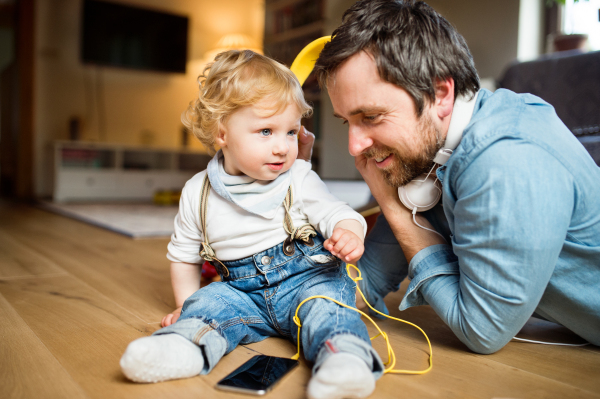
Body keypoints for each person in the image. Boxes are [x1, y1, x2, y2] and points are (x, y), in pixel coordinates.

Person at [310, 0, 600, 354]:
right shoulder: (427, 153)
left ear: (440, 94)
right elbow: (366, 281)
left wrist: (392, 206)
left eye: (370, 116)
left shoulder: (505, 156)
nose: (355, 147)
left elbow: (482, 330)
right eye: (347, 122)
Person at [120, 50, 383, 399]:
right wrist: (186, 305)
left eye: (291, 132)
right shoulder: (198, 192)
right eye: (265, 131)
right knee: (209, 304)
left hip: (307, 285)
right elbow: (184, 255)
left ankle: (345, 362)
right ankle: (182, 347)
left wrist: (350, 231)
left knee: (329, 311)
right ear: (222, 133)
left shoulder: (298, 177)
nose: (282, 147)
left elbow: (338, 212)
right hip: (243, 296)